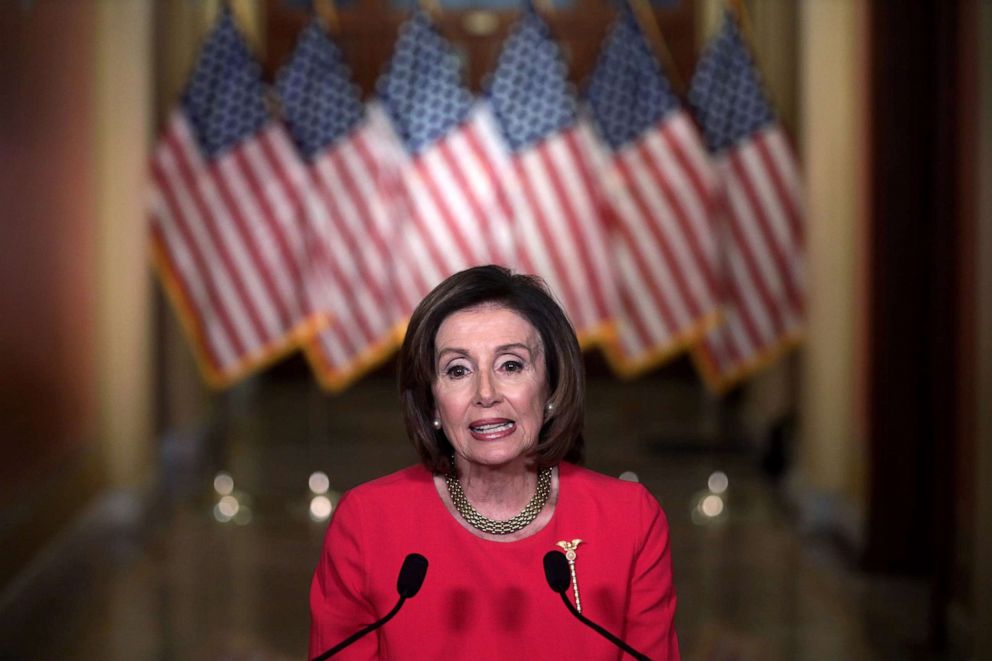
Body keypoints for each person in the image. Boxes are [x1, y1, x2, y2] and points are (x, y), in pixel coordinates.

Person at [309, 265, 679, 660]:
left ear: (552, 386)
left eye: (511, 365)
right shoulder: (367, 523)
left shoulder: (630, 520)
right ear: (433, 402)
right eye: (458, 370)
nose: (486, 393)